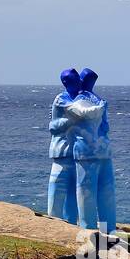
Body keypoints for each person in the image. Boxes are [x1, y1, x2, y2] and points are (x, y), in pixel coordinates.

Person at [66, 67, 117, 234]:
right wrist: (101, 108)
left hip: (91, 151)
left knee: (96, 192)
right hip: (93, 151)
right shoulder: (84, 101)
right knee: (95, 193)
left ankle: (102, 230)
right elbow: (85, 113)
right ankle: (96, 230)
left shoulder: (90, 100)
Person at [46, 68, 81, 224]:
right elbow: (54, 126)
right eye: (76, 80)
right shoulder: (61, 99)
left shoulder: (80, 99)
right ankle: (53, 221)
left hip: (77, 153)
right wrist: (71, 120)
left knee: (73, 192)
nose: (79, 83)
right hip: (61, 151)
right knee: (57, 186)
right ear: (67, 83)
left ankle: (71, 223)